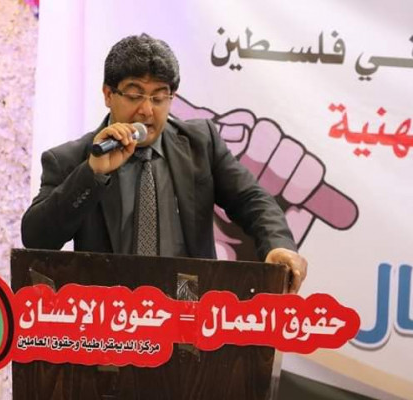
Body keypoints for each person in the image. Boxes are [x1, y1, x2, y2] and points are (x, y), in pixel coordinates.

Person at [21, 34, 308, 293]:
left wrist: (278, 245)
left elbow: (251, 199)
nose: (147, 110)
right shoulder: (72, 159)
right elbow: (37, 238)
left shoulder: (200, 143)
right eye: (134, 95)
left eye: (159, 97)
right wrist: (92, 172)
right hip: (109, 319)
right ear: (108, 94)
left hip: (189, 311)